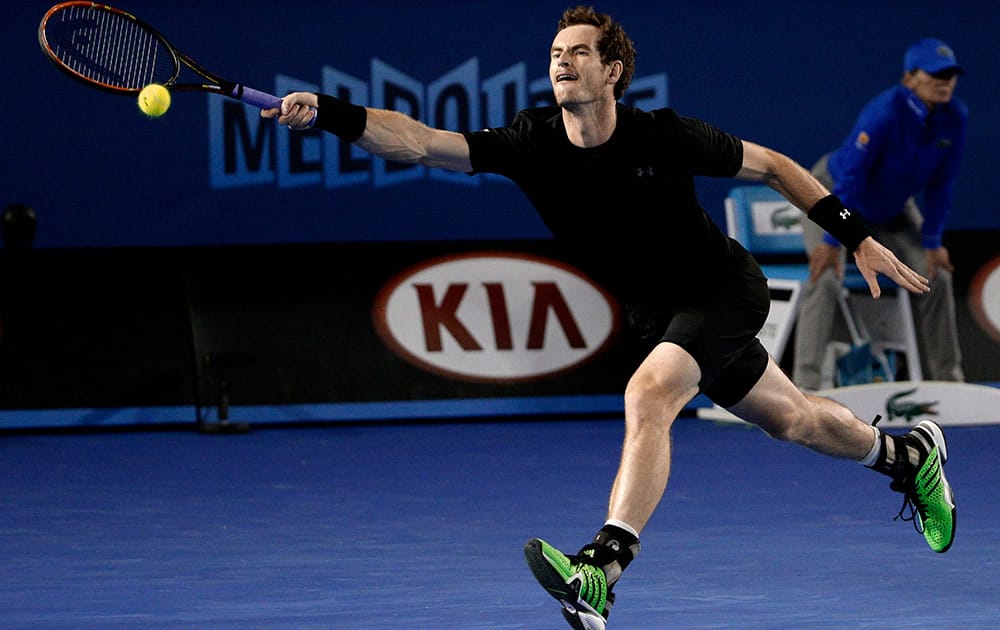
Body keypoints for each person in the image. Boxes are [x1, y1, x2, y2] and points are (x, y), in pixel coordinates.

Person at [264, 8, 955, 629]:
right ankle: (906, 458)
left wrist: (856, 234)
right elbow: (415, 141)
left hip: (722, 289)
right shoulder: (530, 140)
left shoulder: (664, 135)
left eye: (577, 52)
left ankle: (602, 568)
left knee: (648, 395)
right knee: (793, 419)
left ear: (613, 70)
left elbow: (774, 166)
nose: (561, 61)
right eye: (555, 53)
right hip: (658, 314)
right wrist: (328, 113)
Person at [794, 38, 967, 391]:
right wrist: (831, 241)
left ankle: (949, 385)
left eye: (950, 75)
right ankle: (805, 388)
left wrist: (933, 241)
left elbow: (942, 184)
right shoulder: (884, 113)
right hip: (834, 195)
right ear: (909, 79)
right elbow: (852, 178)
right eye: (935, 74)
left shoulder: (955, 117)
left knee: (938, 277)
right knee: (825, 277)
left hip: (893, 210)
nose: (944, 81)